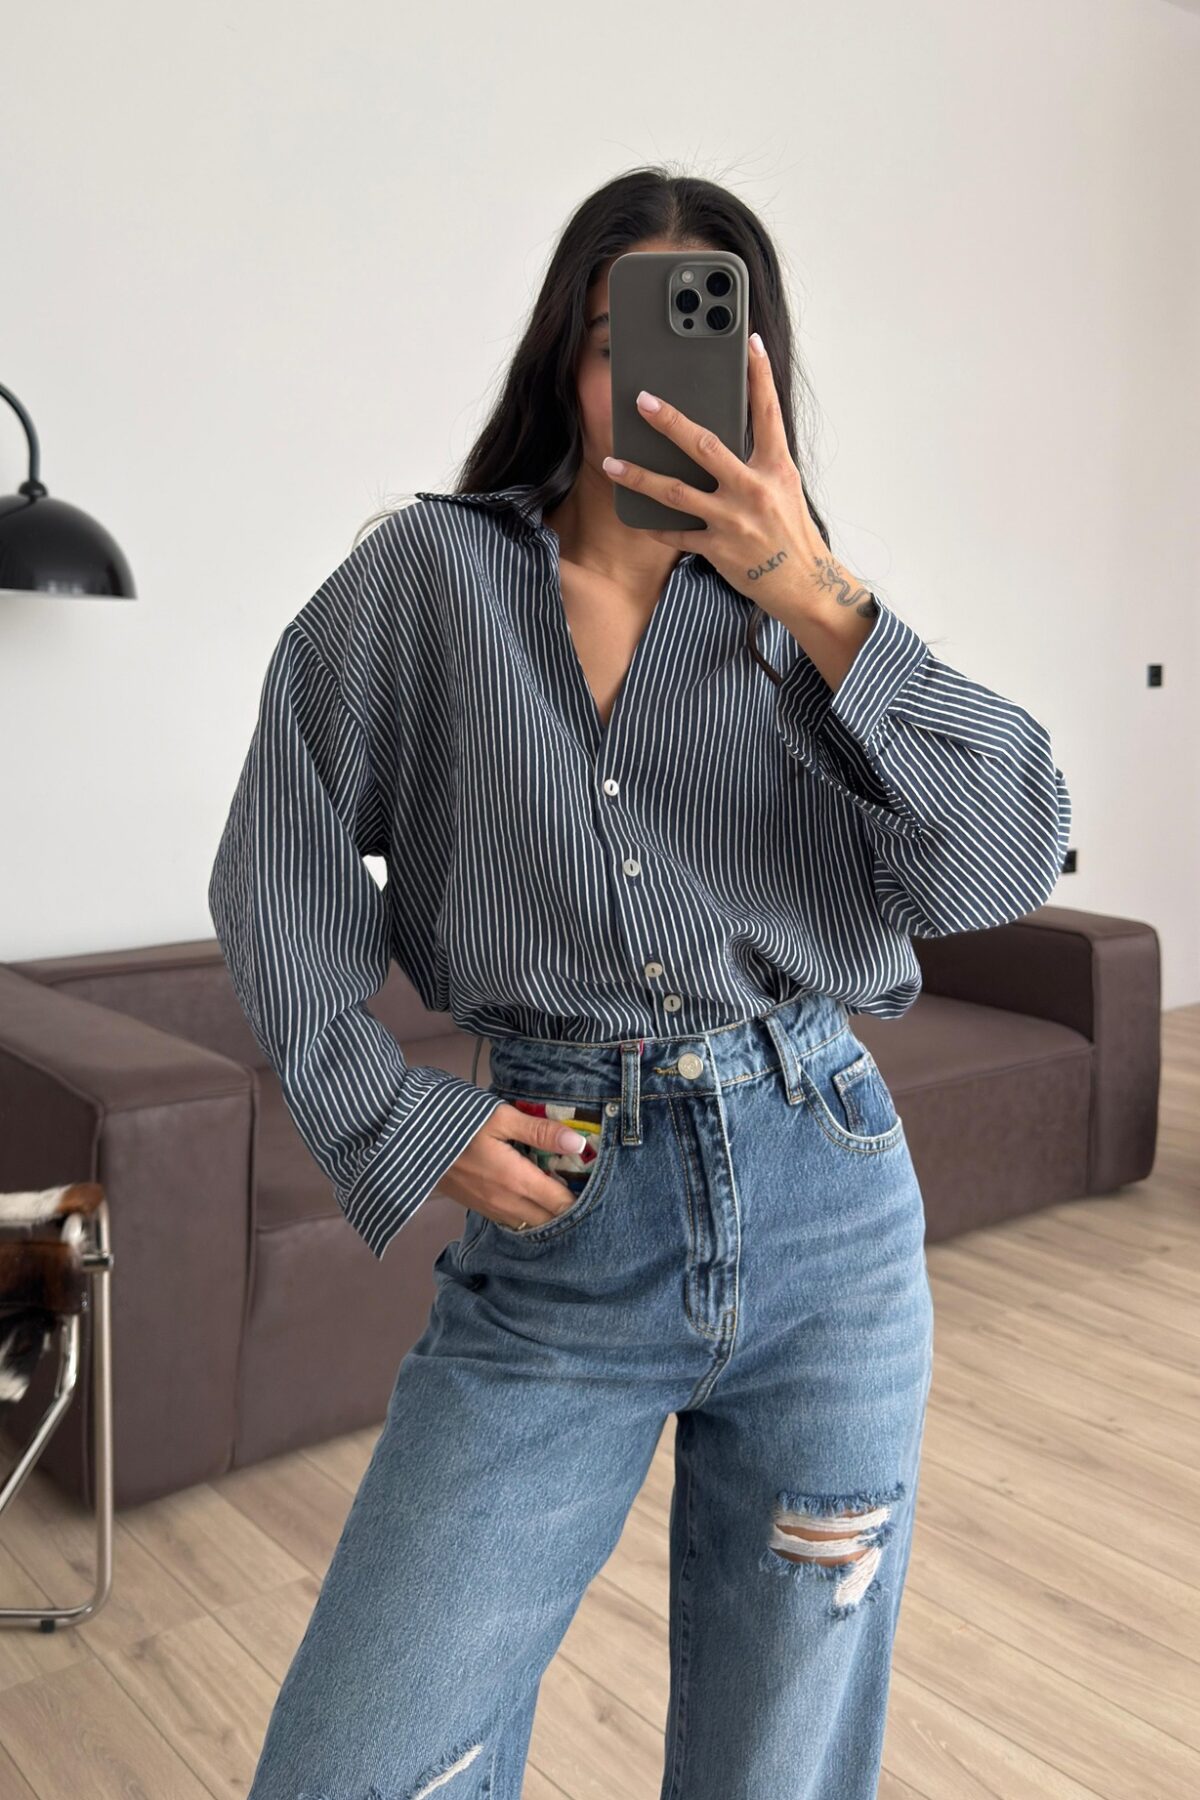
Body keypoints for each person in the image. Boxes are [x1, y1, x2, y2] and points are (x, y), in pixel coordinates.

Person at [210, 167, 1071, 1800]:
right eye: (624, 340)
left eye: (705, 340)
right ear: (571, 356)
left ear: (760, 373)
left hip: (829, 1211)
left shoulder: (810, 625)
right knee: (351, 1766)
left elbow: (1010, 851)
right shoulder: (429, 584)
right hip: (561, 1226)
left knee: (777, 1763)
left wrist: (815, 592)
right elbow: (276, 867)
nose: (656, 385)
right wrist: (397, 1117)